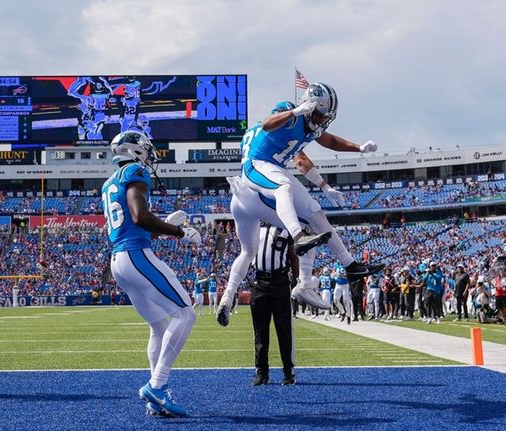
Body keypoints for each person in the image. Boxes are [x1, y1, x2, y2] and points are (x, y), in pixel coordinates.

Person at [229, 82, 382, 309]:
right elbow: (267, 124)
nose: (322, 120)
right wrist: (295, 112)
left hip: (276, 167)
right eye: (321, 115)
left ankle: (346, 267)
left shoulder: (312, 127)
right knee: (283, 187)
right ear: (310, 107)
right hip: (256, 163)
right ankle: (298, 237)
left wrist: (358, 149)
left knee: (315, 212)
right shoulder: (291, 113)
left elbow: (329, 141)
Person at [102, 131, 201, 417]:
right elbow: (139, 216)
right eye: (147, 150)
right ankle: (157, 387)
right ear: (136, 151)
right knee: (185, 313)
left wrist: (164, 225)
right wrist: (180, 232)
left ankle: (154, 400)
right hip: (134, 255)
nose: (151, 155)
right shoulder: (135, 170)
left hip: (119, 260)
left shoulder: (110, 182)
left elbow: (134, 225)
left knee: (158, 325)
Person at [247, 222, 298, 386]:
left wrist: (296, 280)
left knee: (283, 329)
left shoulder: (286, 229)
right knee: (260, 331)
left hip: (280, 282)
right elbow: (246, 254)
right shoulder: (253, 228)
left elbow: (293, 256)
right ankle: (262, 372)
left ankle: (288, 371)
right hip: (259, 282)